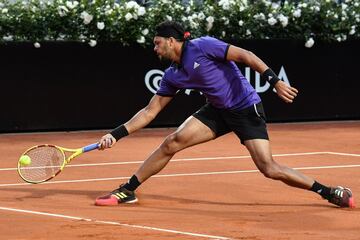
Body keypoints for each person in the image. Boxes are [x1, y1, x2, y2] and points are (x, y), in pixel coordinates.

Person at [94, 21, 355, 208]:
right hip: (217, 110)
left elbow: (246, 55)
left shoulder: (203, 46)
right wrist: (116, 135)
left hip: (245, 108)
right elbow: (150, 111)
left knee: (269, 167)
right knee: (171, 142)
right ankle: (128, 190)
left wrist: (274, 81)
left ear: (171, 41)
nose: (155, 48)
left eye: (157, 43)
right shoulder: (173, 74)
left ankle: (327, 191)